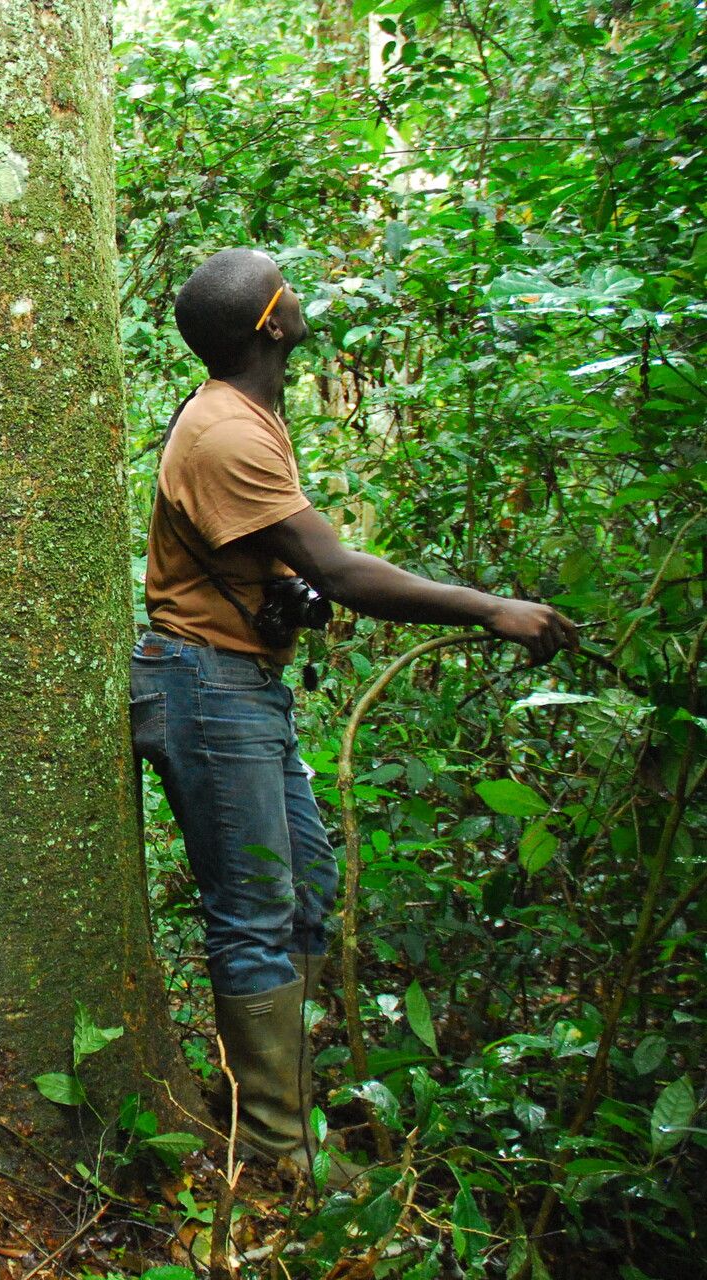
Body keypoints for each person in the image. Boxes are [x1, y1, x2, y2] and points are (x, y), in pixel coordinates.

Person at [131, 248, 578, 1181]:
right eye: (283, 287)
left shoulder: (253, 413)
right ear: (270, 325)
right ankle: (277, 1157)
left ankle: (263, 1103)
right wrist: (492, 608)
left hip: (241, 685)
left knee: (305, 892)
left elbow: (287, 561)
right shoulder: (227, 432)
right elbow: (341, 570)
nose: (298, 294)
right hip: (208, 689)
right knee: (255, 913)